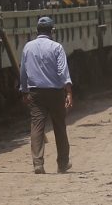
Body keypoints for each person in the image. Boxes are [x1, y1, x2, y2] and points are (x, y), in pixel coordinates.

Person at [19, 16, 74, 174]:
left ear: (37, 31)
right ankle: (62, 163)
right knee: (59, 127)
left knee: (37, 126)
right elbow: (63, 71)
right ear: (52, 31)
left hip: (36, 93)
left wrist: (24, 91)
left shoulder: (28, 47)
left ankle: (38, 163)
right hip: (55, 92)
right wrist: (68, 91)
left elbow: (23, 71)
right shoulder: (57, 47)